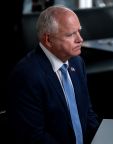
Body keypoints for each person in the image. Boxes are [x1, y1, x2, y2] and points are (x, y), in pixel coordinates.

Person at [7, 5, 99, 144]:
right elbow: (34, 137)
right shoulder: (26, 75)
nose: (80, 39)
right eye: (70, 34)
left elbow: (87, 113)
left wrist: (100, 138)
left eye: (78, 31)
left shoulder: (77, 62)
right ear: (48, 40)